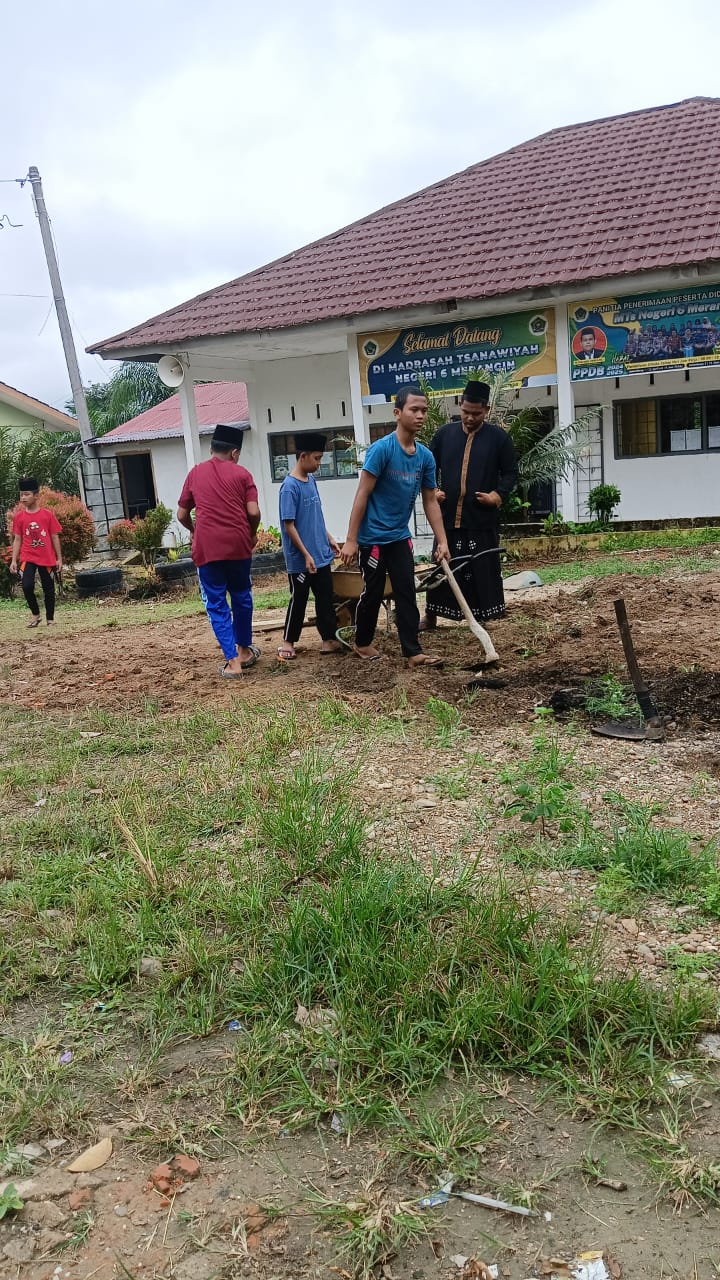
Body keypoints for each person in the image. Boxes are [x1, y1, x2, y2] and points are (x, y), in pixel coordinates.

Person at [340, 384, 449, 666]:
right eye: (414, 410)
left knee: (407, 592)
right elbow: (362, 494)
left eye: (424, 410)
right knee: (373, 593)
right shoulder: (382, 450)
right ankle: (362, 642)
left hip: (400, 536)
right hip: (373, 538)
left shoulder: (425, 456)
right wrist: (351, 539)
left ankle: (412, 652)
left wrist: (443, 540)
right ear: (398, 413)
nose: (421, 415)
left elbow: (430, 501)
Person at [421, 380, 517, 631]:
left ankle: (488, 615)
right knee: (442, 565)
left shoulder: (499, 439)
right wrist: (435, 491)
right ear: (459, 405)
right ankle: (431, 616)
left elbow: (510, 474)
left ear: (486, 410)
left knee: (483, 567)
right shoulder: (444, 435)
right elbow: (428, 467)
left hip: (481, 518)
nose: (470, 418)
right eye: (466, 412)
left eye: (476, 413)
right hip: (448, 517)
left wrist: (497, 496)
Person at [177, 424, 261, 678]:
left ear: (213, 448)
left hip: (207, 547)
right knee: (241, 596)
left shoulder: (195, 474)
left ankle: (233, 662)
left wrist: (194, 529)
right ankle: (244, 649)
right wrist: (251, 532)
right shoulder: (242, 475)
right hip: (238, 544)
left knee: (216, 602)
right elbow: (253, 512)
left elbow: (181, 514)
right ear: (235, 453)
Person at [277, 431, 343, 660]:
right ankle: (288, 641)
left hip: (321, 554)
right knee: (300, 599)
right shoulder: (289, 487)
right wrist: (305, 555)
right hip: (301, 560)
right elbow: (290, 526)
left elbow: (316, 516)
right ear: (302, 456)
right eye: (316, 458)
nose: (319, 463)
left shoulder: (311, 481)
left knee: (325, 597)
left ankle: (328, 639)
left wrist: (329, 538)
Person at [10, 478, 63, 629]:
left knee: (48, 589)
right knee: (26, 586)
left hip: (46, 557)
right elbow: (18, 539)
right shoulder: (19, 517)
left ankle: (50, 619)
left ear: (36, 496)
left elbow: (54, 536)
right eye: (21, 495)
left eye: (26, 494)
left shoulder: (47, 515)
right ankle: (35, 614)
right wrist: (14, 560)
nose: (23, 498)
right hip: (28, 557)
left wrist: (59, 558)